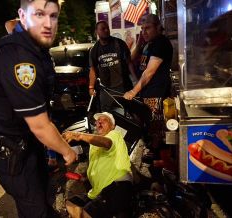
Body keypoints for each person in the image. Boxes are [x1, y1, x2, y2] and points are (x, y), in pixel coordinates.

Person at [0, 0, 77, 217]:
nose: (48, 23)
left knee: (39, 198)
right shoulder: (21, 60)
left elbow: (10, 24)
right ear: (23, 17)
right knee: (37, 210)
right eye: (39, 15)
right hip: (9, 145)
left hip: (21, 140)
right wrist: (67, 151)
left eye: (53, 16)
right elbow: (40, 126)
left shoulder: (24, 40)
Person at [123, 14, 173, 168]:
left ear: (158, 27)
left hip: (156, 94)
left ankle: (161, 169)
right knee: (148, 131)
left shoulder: (161, 44)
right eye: (142, 29)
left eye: (148, 28)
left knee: (156, 132)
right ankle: (152, 165)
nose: (144, 31)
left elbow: (149, 73)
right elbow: (129, 61)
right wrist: (137, 45)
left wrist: (133, 91)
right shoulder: (148, 44)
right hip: (146, 93)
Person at [63, 112, 133, 218]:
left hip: (117, 185)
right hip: (97, 191)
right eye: (97, 121)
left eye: (104, 120)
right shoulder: (94, 144)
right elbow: (99, 165)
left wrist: (77, 135)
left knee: (86, 213)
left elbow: (107, 143)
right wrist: (86, 178)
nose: (99, 122)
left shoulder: (114, 135)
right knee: (71, 203)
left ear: (112, 126)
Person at [89, 21, 137, 112]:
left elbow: (129, 63)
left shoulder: (119, 44)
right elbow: (92, 70)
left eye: (107, 28)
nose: (106, 30)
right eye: (103, 29)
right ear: (97, 32)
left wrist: (135, 81)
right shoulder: (94, 50)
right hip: (105, 90)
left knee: (125, 114)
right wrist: (91, 87)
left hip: (123, 87)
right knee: (107, 116)